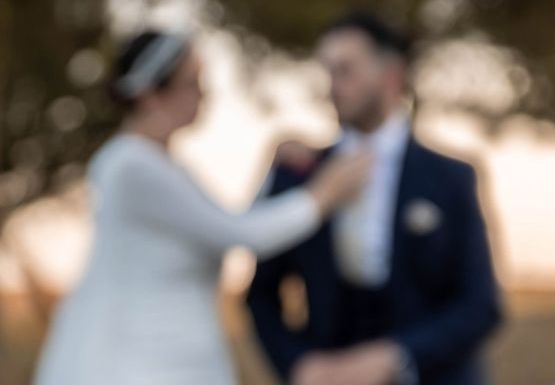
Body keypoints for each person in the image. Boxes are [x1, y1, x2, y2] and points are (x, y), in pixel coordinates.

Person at [34, 30, 371, 385]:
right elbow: (240, 234)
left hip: (175, 364)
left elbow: (226, 227)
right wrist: (323, 194)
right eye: (192, 83)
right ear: (150, 95)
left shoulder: (165, 166)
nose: (204, 93)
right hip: (135, 367)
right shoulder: (131, 166)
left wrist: (272, 169)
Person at [247, 13, 503, 385]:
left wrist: (398, 356)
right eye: (329, 71)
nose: (333, 86)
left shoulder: (451, 178)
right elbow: (261, 295)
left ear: (391, 75)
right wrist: (298, 364)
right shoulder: (299, 173)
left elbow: (481, 304)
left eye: (346, 70)